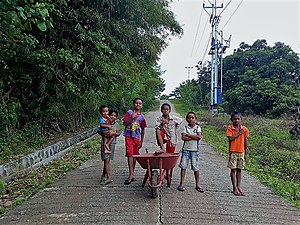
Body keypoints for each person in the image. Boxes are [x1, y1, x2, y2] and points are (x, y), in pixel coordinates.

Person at [177, 111, 204, 192]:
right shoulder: (185, 128)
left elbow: (199, 137)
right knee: (183, 167)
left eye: (193, 118)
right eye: (189, 118)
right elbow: (183, 138)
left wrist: (188, 135)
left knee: (196, 167)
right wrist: (194, 137)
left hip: (194, 151)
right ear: (186, 119)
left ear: (195, 119)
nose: (191, 119)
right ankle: (181, 183)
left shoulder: (197, 127)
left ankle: (198, 184)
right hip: (185, 150)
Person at [122, 98, 147, 185]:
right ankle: (131, 174)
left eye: (140, 103)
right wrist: (131, 118)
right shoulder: (129, 113)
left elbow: (143, 129)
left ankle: (133, 173)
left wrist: (141, 141)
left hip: (136, 137)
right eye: (136, 103)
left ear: (142, 105)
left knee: (135, 155)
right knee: (130, 154)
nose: (138, 105)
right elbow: (124, 123)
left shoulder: (142, 117)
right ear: (133, 104)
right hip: (129, 136)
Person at [226, 112, 249, 196]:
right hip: (233, 151)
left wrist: (245, 152)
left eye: (238, 119)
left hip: (241, 151)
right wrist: (239, 133)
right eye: (235, 119)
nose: (236, 120)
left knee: (239, 170)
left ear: (241, 120)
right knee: (233, 169)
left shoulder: (245, 129)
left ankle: (239, 187)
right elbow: (231, 138)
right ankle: (234, 187)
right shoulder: (230, 128)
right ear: (232, 120)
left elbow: (245, 141)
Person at [100, 109, 120, 185]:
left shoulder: (116, 124)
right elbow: (100, 131)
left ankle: (104, 175)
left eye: (115, 116)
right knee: (106, 160)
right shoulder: (105, 122)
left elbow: (118, 133)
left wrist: (113, 133)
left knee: (107, 161)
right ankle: (109, 177)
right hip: (104, 143)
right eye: (111, 115)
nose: (113, 117)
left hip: (112, 144)